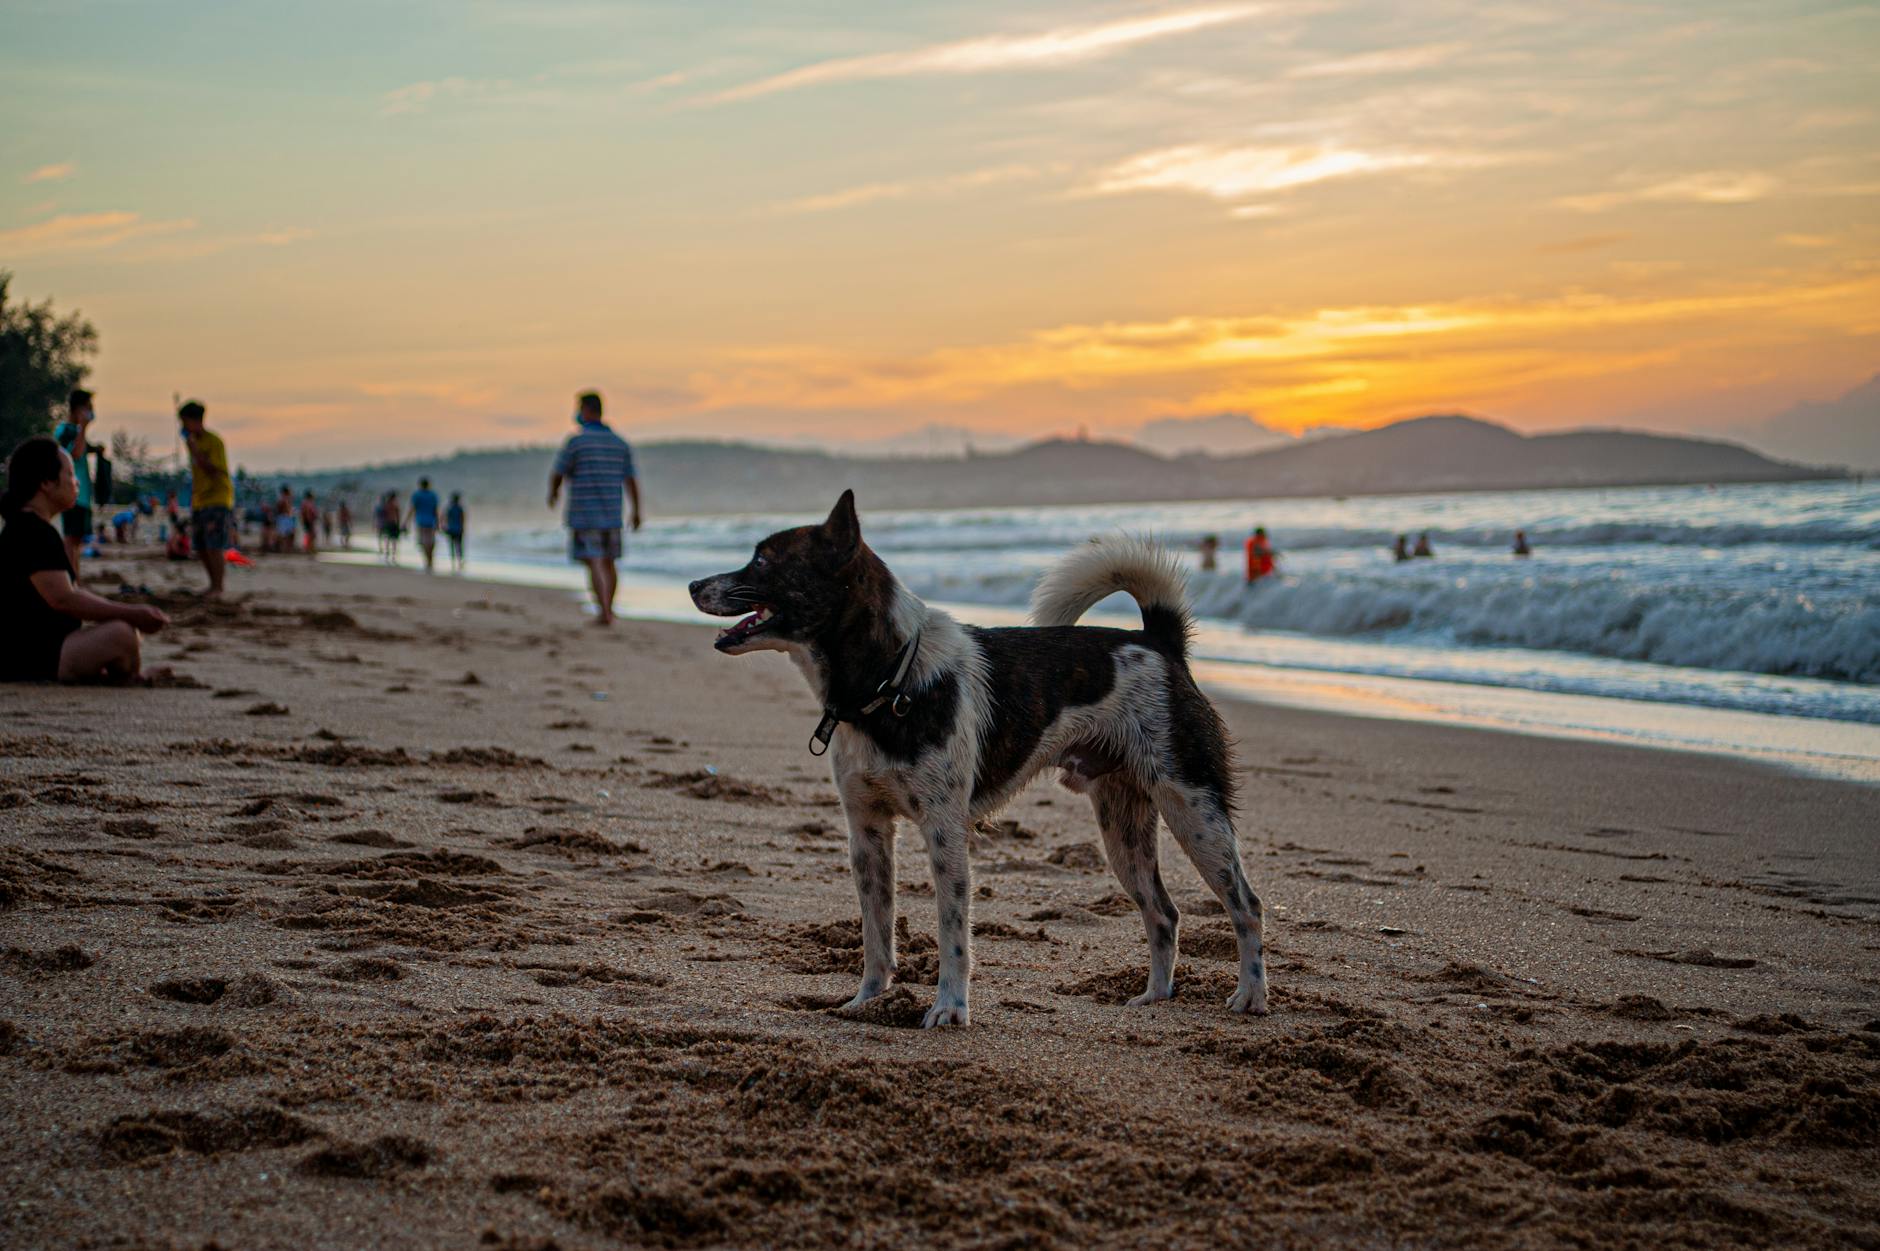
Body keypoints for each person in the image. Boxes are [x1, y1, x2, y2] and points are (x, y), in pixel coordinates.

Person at [1, 436, 171, 683]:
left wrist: (123, 612)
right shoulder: (33, 531)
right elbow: (63, 599)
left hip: (33, 652)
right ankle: (135, 677)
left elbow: (70, 593)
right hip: (32, 658)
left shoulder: (24, 527)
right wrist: (132, 614)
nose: (77, 482)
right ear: (47, 483)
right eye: (70, 474)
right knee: (122, 634)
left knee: (118, 627)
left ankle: (113, 673)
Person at [548, 391, 641, 626]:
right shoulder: (619, 443)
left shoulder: (576, 442)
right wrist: (636, 510)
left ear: (586, 410)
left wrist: (554, 493)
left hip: (585, 514)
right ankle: (609, 608)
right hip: (612, 513)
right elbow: (631, 480)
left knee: (595, 561)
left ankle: (604, 613)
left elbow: (558, 472)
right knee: (609, 562)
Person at [178, 400, 232, 596]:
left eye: (184, 422)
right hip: (199, 499)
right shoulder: (195, 442)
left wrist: (194, 449)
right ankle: (212, 584)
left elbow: (213, 470)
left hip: (217, 498)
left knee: (213, 544)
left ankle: (218, 586)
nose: (182, 427)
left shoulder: (213, 442)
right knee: (200, 545)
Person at [52, 389, 97, 583]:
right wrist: (83, 428)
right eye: (88, 408)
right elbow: (74, 454)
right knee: (70, 541)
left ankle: (75, 581)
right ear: (78, 408)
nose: (91, 411)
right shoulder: (66, 431)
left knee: (76, 541)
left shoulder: (76, 431)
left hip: (82, 494)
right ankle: (70, 582)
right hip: (72, 494)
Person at [408, 476, 440, 573]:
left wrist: (406, 522)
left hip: (421, 522)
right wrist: (438, 523)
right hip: (431, 522)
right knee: (430, 542)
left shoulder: (417, 495)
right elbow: (436, 510)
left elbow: (412, 509)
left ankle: (428, 561)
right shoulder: (433, 495)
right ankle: (430, 560)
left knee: (423, 542)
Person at [444, 491, 466, 572]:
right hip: (458, 529)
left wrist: (445, 527)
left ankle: (452, 561)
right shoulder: (460, 508)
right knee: (459, 546)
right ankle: (460, 561)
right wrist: (463, 528)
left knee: (451, 546)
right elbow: (463, 519)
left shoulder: (449, 508)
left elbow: (446, 518)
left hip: (451, 529)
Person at [274, 485, 297, 553]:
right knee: (285, 535)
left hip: (283, 518)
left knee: (285, 535)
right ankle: (285, 549)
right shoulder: (284, 499)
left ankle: (284, 548)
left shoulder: (283, 499)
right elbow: (287, 510)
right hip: (284, 519)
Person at [380, 490, 402, 562]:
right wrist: (399, 524)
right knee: (394, 540)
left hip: (387, 523)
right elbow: (398, 516)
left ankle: (387, 554)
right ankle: (393, 555)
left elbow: (383, 515)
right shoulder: (395, 505)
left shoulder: (386, 505)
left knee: (388, 539)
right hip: (393, 523)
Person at [300, 489, 320, 554]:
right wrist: (310, 521)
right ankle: (309, 549)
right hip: (309, 522)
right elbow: (307, 513)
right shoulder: (307, 503)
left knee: (310, 535)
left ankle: (309, 549)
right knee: (311, 536)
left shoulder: (307, 503)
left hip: (308, 521)